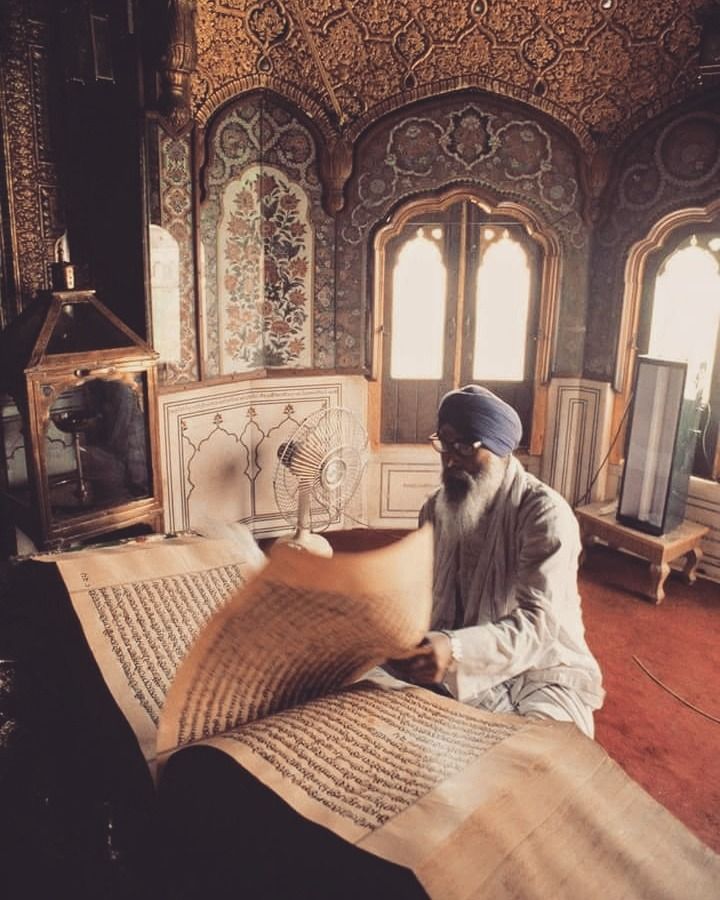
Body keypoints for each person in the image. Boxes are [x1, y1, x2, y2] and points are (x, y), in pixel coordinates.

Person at [388, 384, 604, 738]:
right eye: (444, 443)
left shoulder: (543, 513)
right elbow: (421, 591)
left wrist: (456, 649)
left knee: (539, 756)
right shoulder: (435, 508)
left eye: (466, 447)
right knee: (361, 697)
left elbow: (538, 627)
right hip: (447, 656)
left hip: (538, 672)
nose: (451, 459)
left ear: (502, 450)